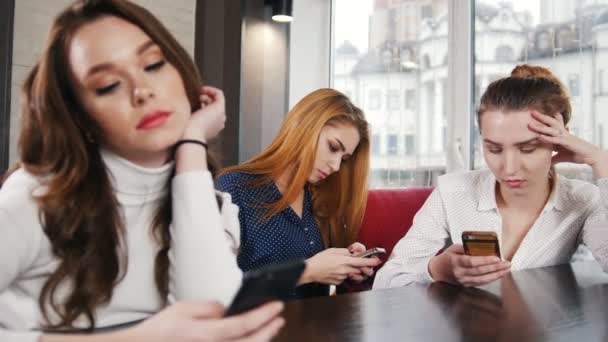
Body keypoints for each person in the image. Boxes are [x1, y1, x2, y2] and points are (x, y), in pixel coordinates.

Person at [0, 1, 284, 341]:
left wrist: (191, 145)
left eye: (152, 64)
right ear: (82, 119)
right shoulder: (36, 200)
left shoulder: (208, 202)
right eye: (107, 86)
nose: (142, 91)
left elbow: (213, 316)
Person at [374, 64, 608, 289]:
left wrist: (601, 161)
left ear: (560, 140)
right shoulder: (453, 191)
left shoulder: (583, 200)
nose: (509, 168)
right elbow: (386, 281)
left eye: (528, 149)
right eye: (494, 149)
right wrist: (436, 269)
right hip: (470, 327)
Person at [216, 88, 381, 298]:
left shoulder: (318, 198)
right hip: (257, 328)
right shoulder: (234, 188)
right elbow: (216, 288)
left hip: (316, 328)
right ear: (304, 127)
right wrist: (306, 271)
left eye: (344, 158)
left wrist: (345, 265)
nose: (336, 166)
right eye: (332, 147)